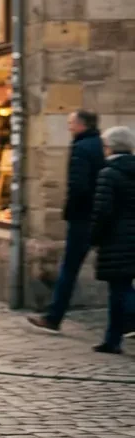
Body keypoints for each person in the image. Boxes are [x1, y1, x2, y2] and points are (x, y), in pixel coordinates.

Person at [28, 110, 105, 332]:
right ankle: (127, 318)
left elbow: (79, 186)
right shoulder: (100, 144)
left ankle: (54, 316)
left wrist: (72, 211)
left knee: (69, 268)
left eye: (71, 123)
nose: (69, 127)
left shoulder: (81, 147)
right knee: (116, 271)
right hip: (99, 215)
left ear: (82, 125)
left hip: (82, 218)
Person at [87, 126, 135, 353]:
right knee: (118, 290)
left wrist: (94, 237)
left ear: (109, 147)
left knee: (121, 289)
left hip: (117, 240)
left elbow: (102, 211)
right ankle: (112, 339)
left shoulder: (108, 174)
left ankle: (115, 336)